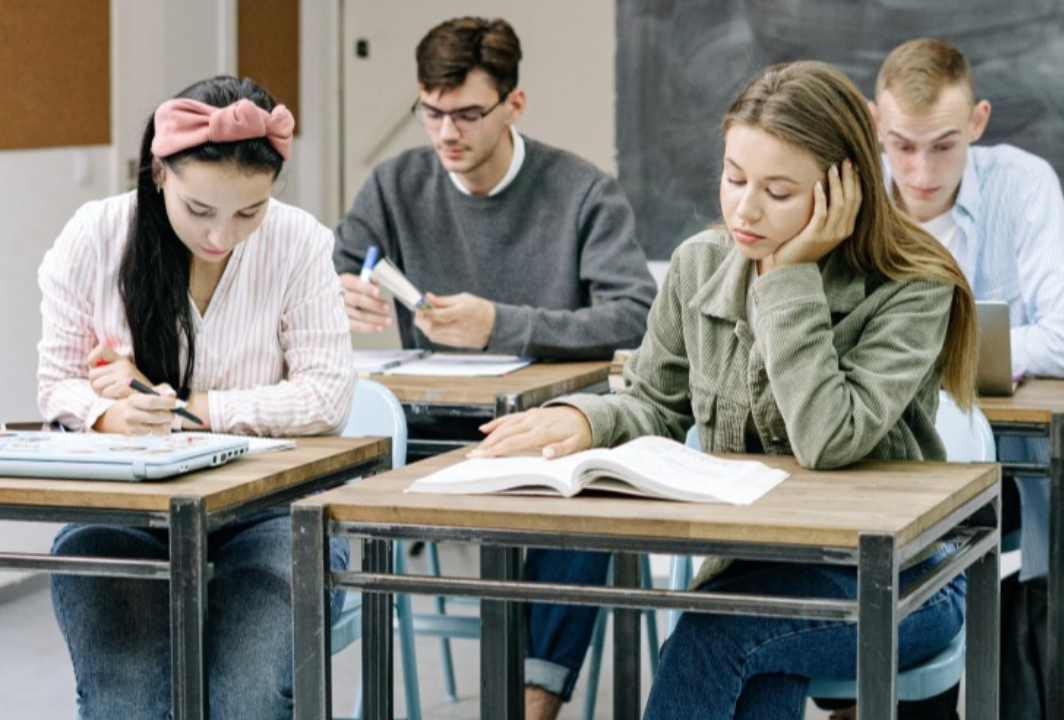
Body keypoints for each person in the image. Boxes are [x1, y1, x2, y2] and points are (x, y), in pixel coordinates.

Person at [471, 60, 980, 720]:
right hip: (757, 571)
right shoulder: (699, 264)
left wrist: (789, 279)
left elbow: (830, 439)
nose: (744, 208)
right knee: (745, 643)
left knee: (719, 634)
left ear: (842, 189)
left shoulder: (912, 284)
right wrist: (585, 420)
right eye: (734, 178)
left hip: (905, 580)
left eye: (777, 190)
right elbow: (654, 401)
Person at [331, 17, 657, 719]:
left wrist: (500, 325)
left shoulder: (580, 190)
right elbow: (330, 265)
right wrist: (337, 292)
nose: (447, 133)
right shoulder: (395, 185)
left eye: (468, 114)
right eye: (431, 112)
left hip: (548, 427)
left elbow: (636, 313)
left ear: (515, 104)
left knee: (581, 485)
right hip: (430, 428)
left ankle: (533, 699)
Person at [37, 75, 355, 719]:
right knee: (124, 698)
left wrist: (191, 408)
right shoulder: (95, 236)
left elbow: (326, 396)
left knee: (248, 697)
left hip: (271, 510)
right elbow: (56, 386)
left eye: (248, 213)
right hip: (123, 511)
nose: (222, 237)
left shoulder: (298, 242)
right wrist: (109, 413)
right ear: (159, 172)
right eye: (200, 210)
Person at [870, 37, 1064, 585]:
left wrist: (936, 352)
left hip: (996, 454)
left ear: (978, 122)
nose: (921, 171)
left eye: (944, 146)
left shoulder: (1024, 185)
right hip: (879, 442)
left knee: (1035, 446)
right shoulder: (855, 192)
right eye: (902, 146)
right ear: (876, 123)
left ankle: (1041, 639)